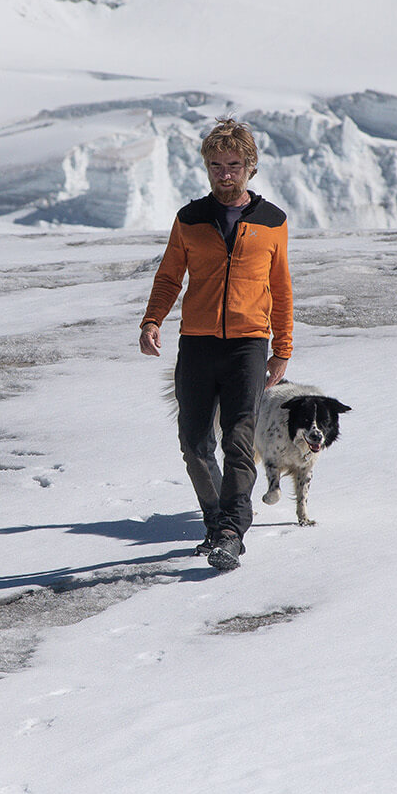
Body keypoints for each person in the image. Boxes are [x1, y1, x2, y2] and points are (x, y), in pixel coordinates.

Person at [139, 119, 293, 572]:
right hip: (198, 344)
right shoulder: (190, 219)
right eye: (215, 166)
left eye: (233, 165)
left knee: (239, 441)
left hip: (248, 345)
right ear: (206, 168)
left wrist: (281, 347)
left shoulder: (272, 221)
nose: (225, 174)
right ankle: (215, 521)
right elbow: (169, 276)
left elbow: (281, 289)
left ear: (250, 167)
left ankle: (231, 530)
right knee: (194, 441)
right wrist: (152, 320)